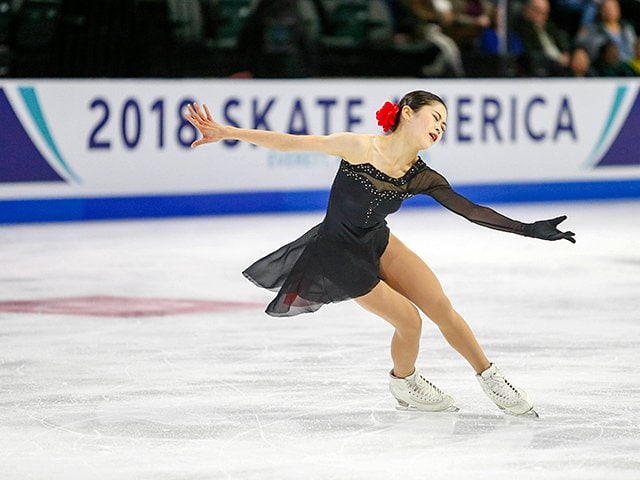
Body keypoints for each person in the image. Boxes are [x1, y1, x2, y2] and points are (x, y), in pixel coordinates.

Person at [184, 91, 576, 416]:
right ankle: (404, 384)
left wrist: (528, 230)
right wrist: (226, 132)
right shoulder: (358, 147)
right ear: (407, 113)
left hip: (378, 240)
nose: (440, 127)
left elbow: (471, 211)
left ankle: (491, 378)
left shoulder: (421, 175)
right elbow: (290, 143)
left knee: (440, 306)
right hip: (337, 253)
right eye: (434, 117)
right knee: (410, 322)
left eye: (444, 124)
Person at [515, 0, 572, 76]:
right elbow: (534, 52)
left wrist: (565, 53)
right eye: (539, 12)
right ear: (529, 11)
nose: (543, 16)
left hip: (561, 64)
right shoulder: (525, 29)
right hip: (545, 68)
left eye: (545, 13)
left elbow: (560, 43)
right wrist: (558, 61)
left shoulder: (550, 27)